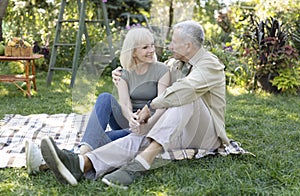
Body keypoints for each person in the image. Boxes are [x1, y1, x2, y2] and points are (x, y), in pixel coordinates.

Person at [40, 20, 231, 188]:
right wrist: (122, 72)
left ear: (188, 46)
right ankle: (82, 163)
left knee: (186, 95)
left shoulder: (209, 65)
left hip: (206, 136)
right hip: (179, 131)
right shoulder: (176, 64)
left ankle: (143, 161)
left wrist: (150, 107)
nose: (169, 45)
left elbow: (183, 91)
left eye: (173, 42)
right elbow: (154, 68)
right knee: (142, 136)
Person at [25, 26, 170, 174]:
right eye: (145, 47)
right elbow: (125, 104)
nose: (152, 50)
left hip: (149, 125)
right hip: (128, 122)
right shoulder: (123, 73)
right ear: (133, 52)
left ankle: (45, 163)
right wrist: (131, 118)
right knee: (105, 98)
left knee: (104, 138)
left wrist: (145, 125)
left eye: (152, 45)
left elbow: (162, 105)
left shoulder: (161, 70)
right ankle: (80, 156)